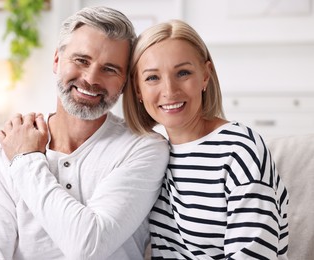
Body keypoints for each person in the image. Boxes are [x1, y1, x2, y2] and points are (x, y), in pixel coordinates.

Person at [0, 6, 169, 260]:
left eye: (110, 69)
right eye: (81, 60)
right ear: (56, 60)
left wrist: (26, 160)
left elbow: (89, 246)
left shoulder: (145, 148)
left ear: (125, 81)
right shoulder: (5, 151)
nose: (91, 78)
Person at [123, 19, 289, 259]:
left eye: (183, 73)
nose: (169, 90)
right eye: (152, 78)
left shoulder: (240, 149)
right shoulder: (150, 153)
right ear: (138, 90)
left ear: (205, 76)